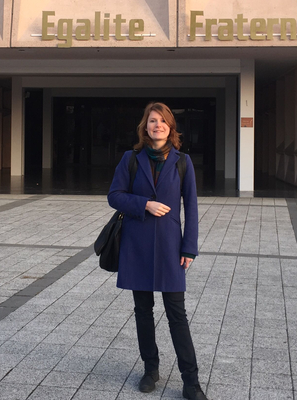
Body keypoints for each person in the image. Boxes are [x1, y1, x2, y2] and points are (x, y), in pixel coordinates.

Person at [107, 102, 207, 400]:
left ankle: (191, 381)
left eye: (163, 121)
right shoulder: (131, 159)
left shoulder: (182, 161)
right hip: (135, 246)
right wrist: (144, 204)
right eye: (152, 121)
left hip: (169, 248)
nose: (157, 125)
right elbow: (114, 196)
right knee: (143, 311)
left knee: (177, 313)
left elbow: (191, 205)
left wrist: (189, 247)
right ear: (145, 127)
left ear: (170, 127)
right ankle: (151, 368)